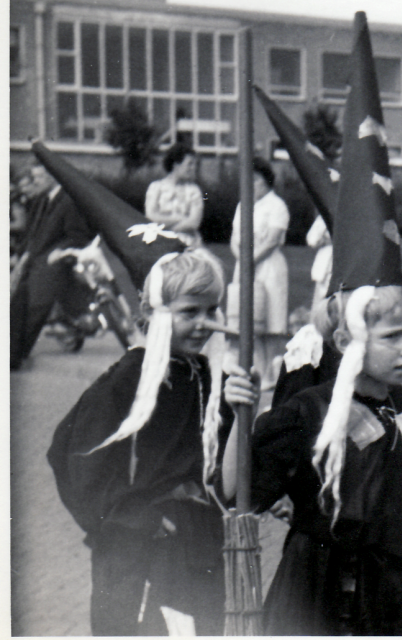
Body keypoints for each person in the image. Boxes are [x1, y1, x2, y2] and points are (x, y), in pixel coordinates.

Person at [220, 11, 402, 636]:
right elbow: (244, 490)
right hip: (317, 595)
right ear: (348, 338)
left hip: (390, 601)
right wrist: (238, 412)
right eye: (393, 336)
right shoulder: (309, 410)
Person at [48, 244, 233, 635]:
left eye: (211, 310)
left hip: (194, 544)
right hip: (136, 551)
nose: (204, 323)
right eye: (189, 311)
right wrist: (130, 519)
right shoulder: (126, 378)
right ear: (154, 313)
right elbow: (69, 454)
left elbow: (226, 462)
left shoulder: (207, 377)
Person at [10, 161, 94, 369]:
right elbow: (32, 232)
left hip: (52, 264)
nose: (34, 181)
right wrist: (22, 254)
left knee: (35, 308)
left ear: (53, 177)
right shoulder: (42, 200)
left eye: (39, 177)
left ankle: (14, 355)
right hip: (33, 260)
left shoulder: (68, 201)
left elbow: (78, 236)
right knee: (17, 304)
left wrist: (59, 251)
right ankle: (12, 352)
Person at [228, 157, 290, 390]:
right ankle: (255, 371)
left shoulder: (277, 206)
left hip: (269, 267)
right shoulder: (243, 205)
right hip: (244, 265)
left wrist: (250, 260)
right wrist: (242, 260)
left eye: (255, 180)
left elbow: (272, 240)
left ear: (266, 180)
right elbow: (235, 239)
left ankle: (273, 375)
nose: (251, 185)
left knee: (272, 321)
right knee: (247, 320)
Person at [145, 143, 204, 247]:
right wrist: (180, 218)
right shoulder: (156, 187)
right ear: (176, 164)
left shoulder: (194, 190)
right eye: (190, 164)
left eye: (194, 164)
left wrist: (168, 231)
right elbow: (150, 217)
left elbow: (194, 222)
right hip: (160, 245)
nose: (193, 168)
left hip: (188, 244)